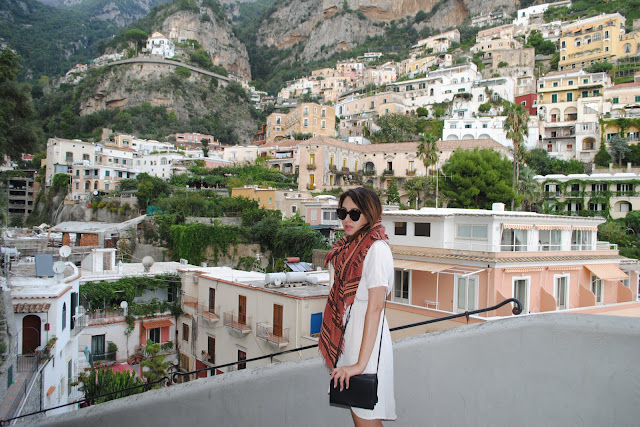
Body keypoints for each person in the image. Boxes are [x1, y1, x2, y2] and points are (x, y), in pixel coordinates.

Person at [319, 187, 396, 426]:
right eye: (342, 213)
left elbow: (375, 308)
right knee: (359, 416)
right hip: (352, 343)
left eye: (355, 213)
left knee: (366, 419)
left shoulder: (376, 249)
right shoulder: (349, 249)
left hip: (367, 351)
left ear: (369, 213)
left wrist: (360, 365)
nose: (346, 220)